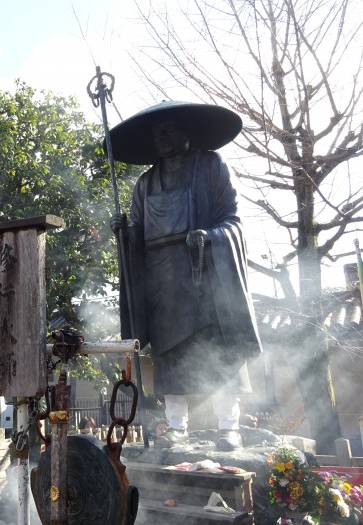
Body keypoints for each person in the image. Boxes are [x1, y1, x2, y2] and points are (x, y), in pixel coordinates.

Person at [109, 101, 262, 451]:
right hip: (163, 282)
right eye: (156, 132)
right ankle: (177, 426)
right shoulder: (145, 184)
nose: (163, 136)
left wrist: (212, 237)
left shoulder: (210, 166)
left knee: (220, 354)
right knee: (170, 360)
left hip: (204, 275)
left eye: (170, 128)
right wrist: (125, 234)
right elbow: (138, 235)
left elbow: (232, 219)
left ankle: (229, 427)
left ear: (187, 131)